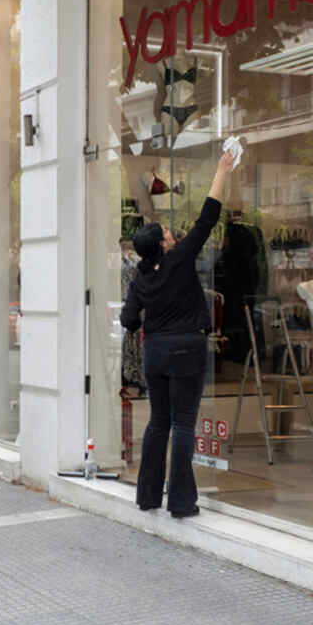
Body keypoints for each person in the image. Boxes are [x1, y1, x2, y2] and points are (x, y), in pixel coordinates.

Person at [120, 150, 235, 519]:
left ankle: (149, 496)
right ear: (163, 245)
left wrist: (144, 323)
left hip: (155, 353)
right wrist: (221, 170)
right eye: (167, 233)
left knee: (158, 422)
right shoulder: (179, 259)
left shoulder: (141, 278)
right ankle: (182, 502)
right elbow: (208, 216)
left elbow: (128, 320)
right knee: (183, 423)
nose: (172, 234)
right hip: (186, 348)